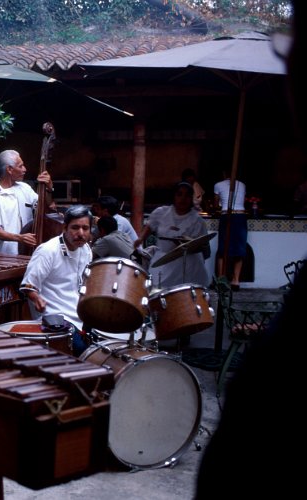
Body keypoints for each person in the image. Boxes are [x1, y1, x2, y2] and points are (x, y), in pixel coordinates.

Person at [197, 6, 304, 495]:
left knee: (239, 255)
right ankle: (229, 279)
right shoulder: (221, 183)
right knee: (225, 252)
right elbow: (216, 207)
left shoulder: (243, 183)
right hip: (227, 219)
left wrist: (245, 204)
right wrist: (222, 206)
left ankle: (235, 281)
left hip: (241, 220)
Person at [20, 205, 93, 354]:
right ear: (64, 228)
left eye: (85, 228)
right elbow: (28, 285)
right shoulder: (48, 250)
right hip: (54, 318)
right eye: (75, 228)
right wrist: (36, 299)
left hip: (77, 315)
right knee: (83, 350)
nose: (81, 233)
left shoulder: (86, 250)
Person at [135, 182, 210, 289]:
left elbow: (204, 247)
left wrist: (187, 244)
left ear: (191, 198)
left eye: (187, 195)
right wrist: (141, 238)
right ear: (173, 196)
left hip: (189, 266)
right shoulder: (161, 212)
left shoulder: (198, 221)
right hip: (163, 261)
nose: (183, 198)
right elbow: (150, 226)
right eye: (179, 194)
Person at [0, 149, 52, 254]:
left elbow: (46, 208)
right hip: (2, 257)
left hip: (26, 252)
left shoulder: (25, 188)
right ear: (9, 169)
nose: (25, 169)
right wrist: (19, 238)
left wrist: (48, 188)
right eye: (20, 166)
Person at [213, 169, 247, 290]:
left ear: (224, 174)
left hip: (226, 215)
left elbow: (216, 204)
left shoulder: (218, 185)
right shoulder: (242, 184)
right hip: (241, 216)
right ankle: (236, 280)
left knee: (223, 248)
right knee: (239, 249)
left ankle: (222, 278)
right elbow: (242, 202)